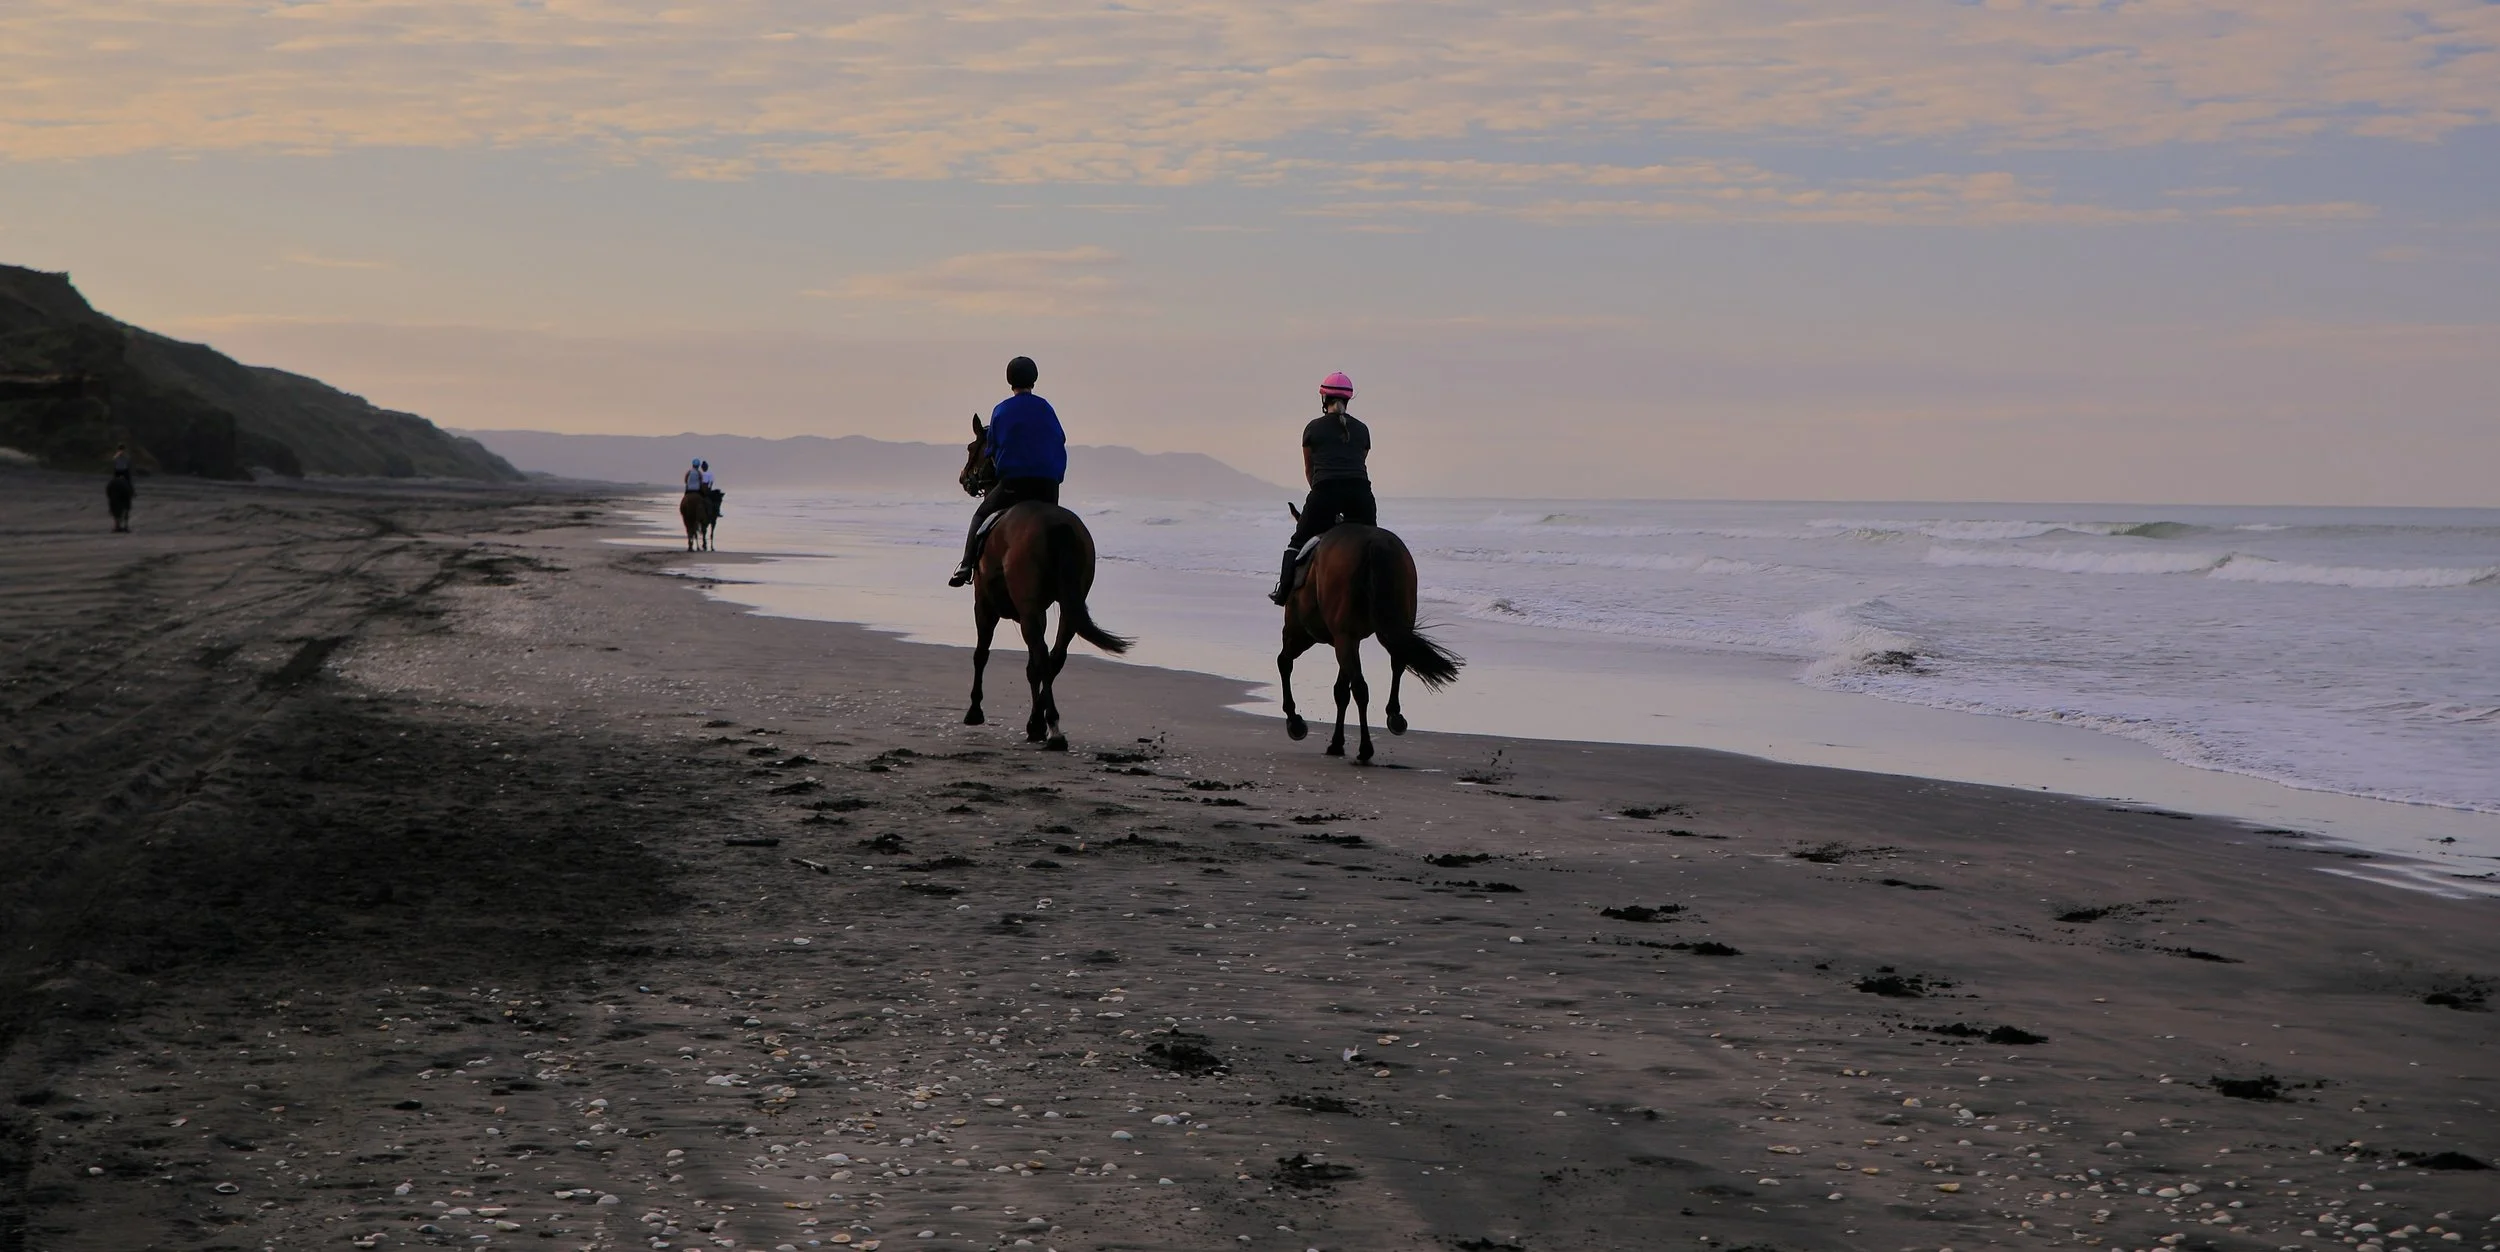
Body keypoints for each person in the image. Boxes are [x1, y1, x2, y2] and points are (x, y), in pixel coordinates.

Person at [951, 355, 1066, 587]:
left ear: (1009, 380)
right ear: (1034, 379)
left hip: (1015, 484)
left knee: (980, 515)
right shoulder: (1047, 408)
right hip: (1049, 487)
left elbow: (992, 450)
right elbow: (1060, 440)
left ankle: (964, 566)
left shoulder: (1001, 410)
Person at [1270, 371, 1376, 605]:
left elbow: (1310, 471)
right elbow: (1359, 464)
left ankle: (1282, 591)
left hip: (1325, 492)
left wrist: (1324, 500)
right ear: (1348, 400)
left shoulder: (1313, 429)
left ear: (1323, 399)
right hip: (1361, 495)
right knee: (1373, 544)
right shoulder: (1362, 430)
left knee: (1296, 543)